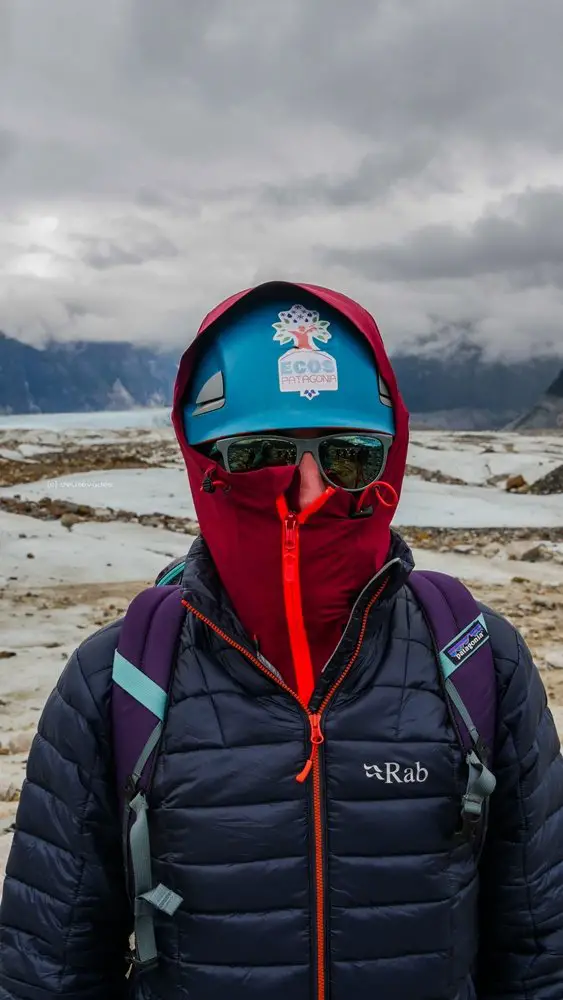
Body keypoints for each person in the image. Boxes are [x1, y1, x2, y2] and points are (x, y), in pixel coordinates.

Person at [1, 280, 562, 1000]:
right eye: (259, 453)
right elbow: (48, 971)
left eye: (346, 457)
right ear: (204, 462)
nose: (306, 489)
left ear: (386, 463)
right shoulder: (116, 681)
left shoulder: (480, 660)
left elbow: (540, 950)